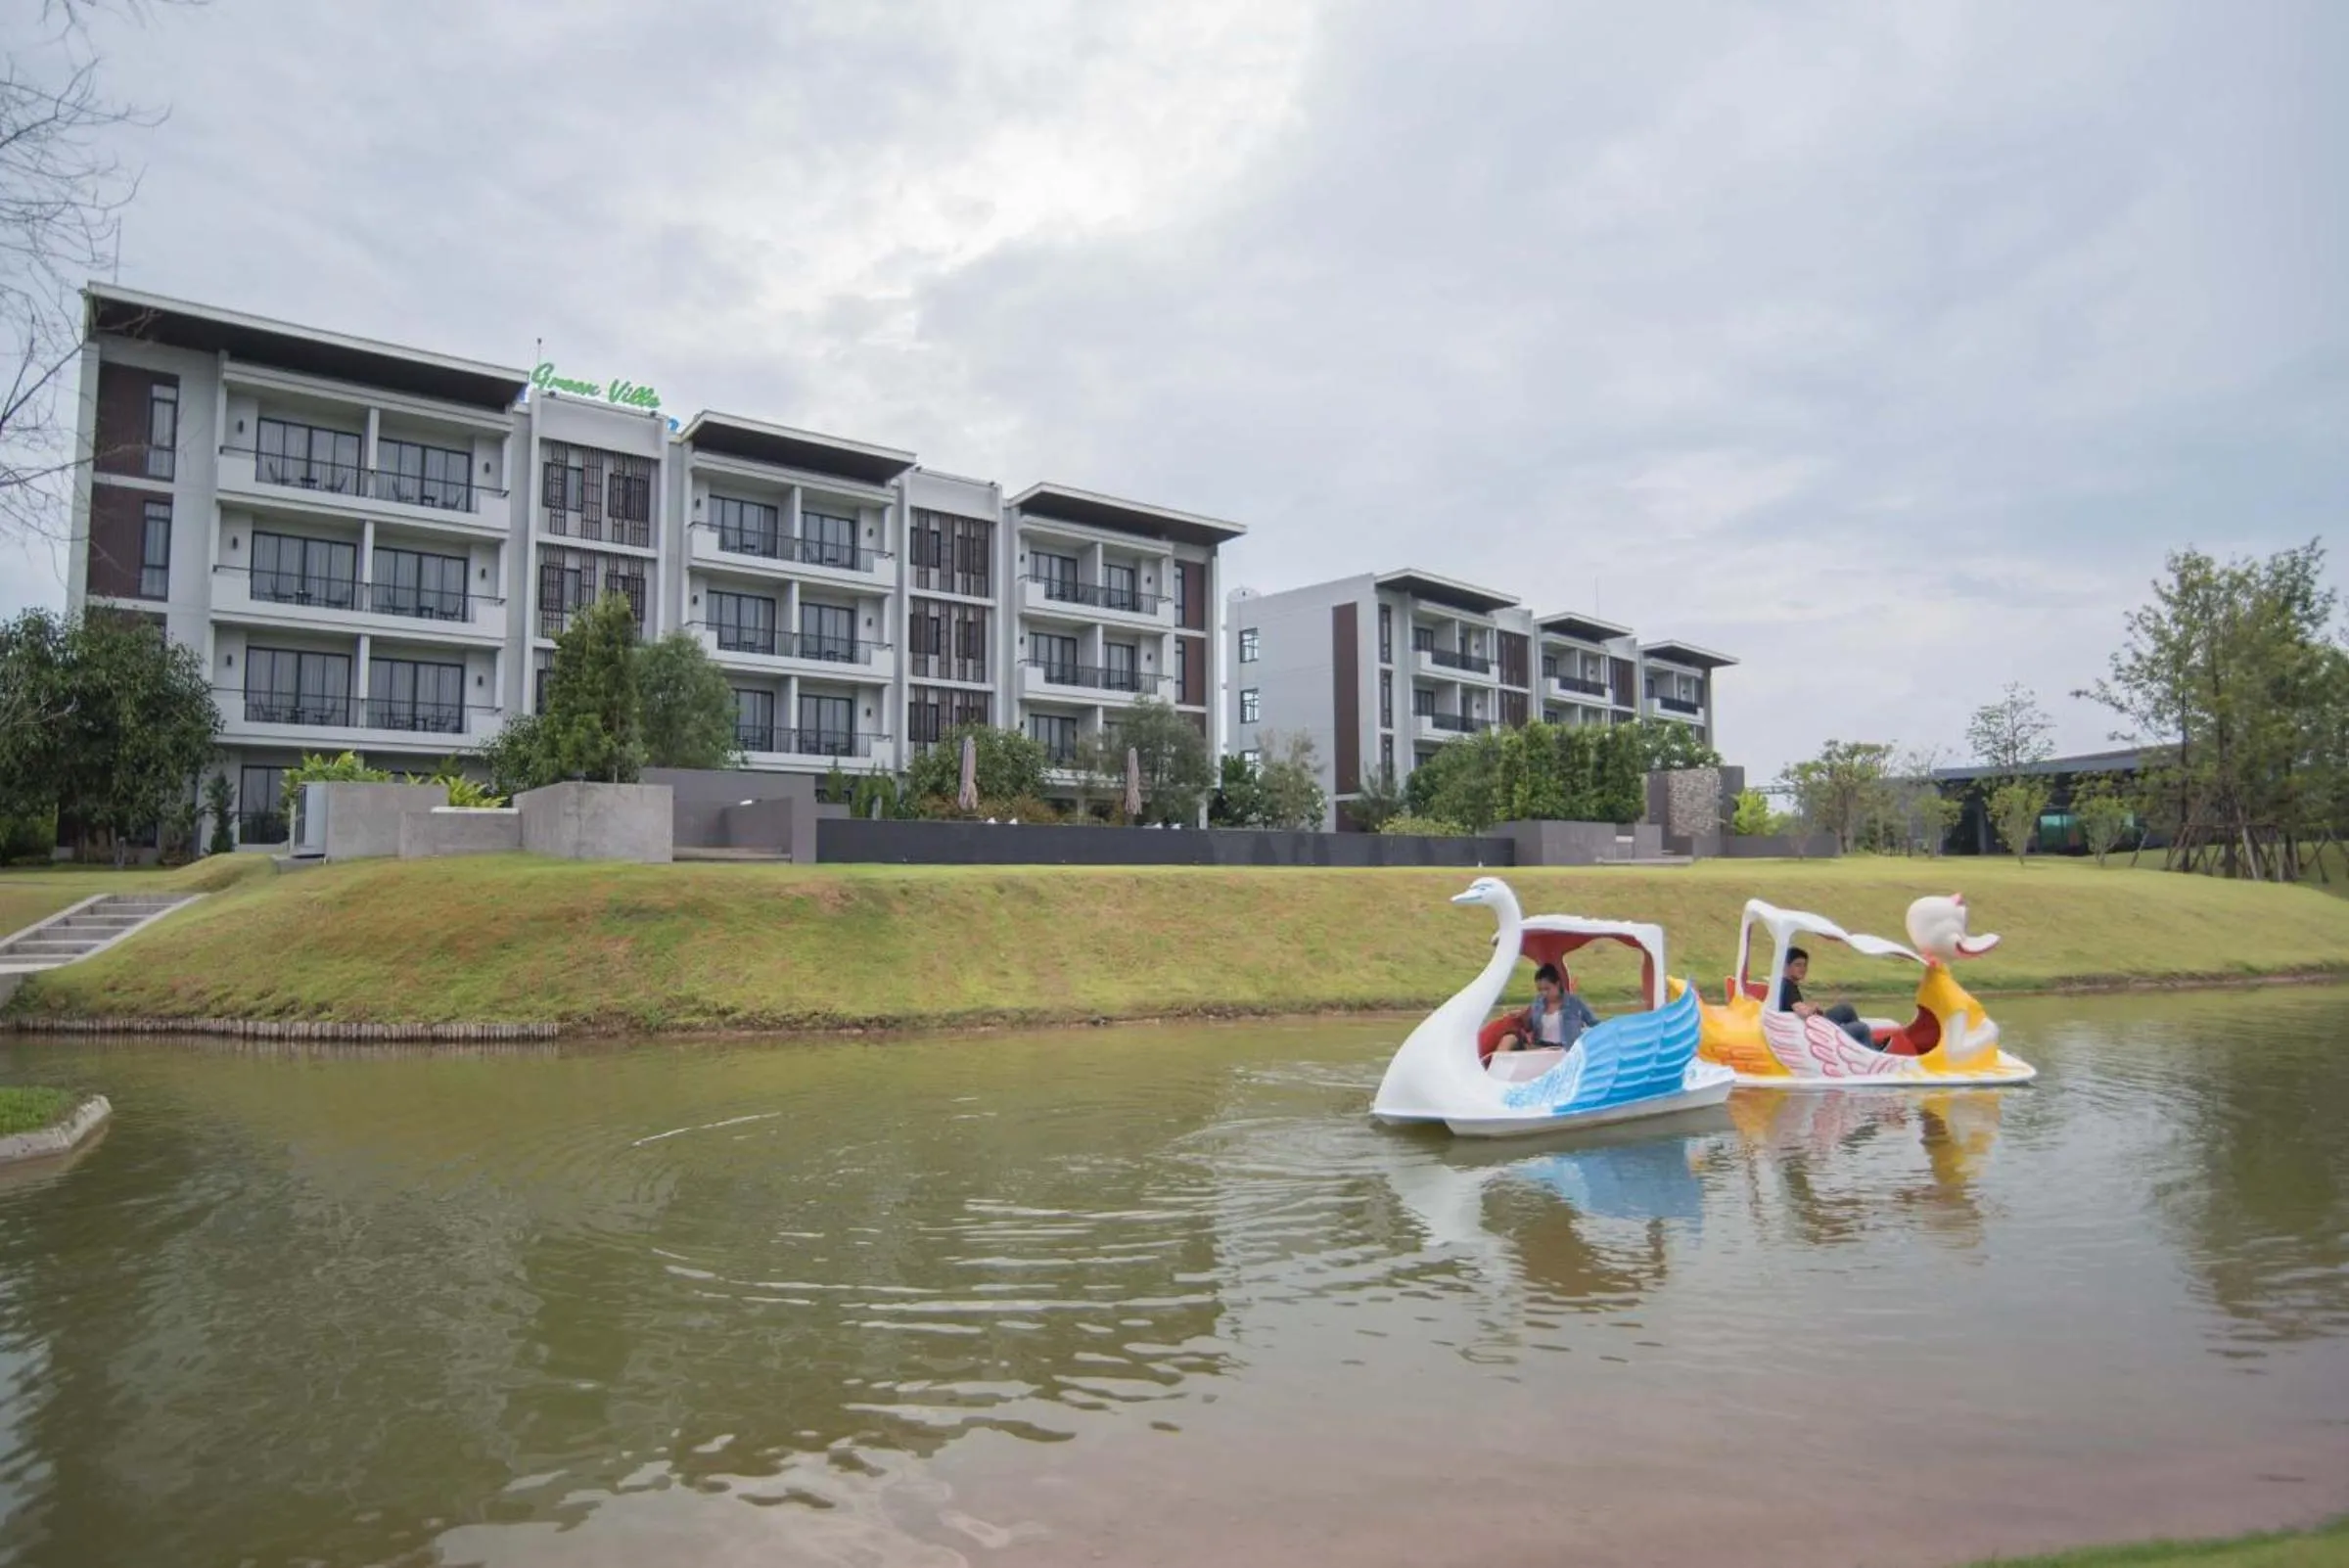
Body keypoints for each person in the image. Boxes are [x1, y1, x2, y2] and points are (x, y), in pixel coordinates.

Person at [1780, 945, 1877, 1048]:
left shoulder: (1788, 985)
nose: (1803, 969)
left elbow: (1797, 1008)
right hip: (1812, 1035)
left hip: (1812, 1026)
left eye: (1804, 965)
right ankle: (1868, 1052)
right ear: (1786, 967)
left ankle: (1859, 1047)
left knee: (1845, 1009)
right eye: (1798, 965)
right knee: (1861, 1028)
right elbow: (1803, 1013)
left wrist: (1813, 1009)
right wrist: (1813, 1007)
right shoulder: (1787, 987)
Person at [1496, 962, 1600, 1053]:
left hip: (1564, 1049)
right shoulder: (1538, 1002)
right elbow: (1529, 1027)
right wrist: (1521, 1016)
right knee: (1510, 1037)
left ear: (1557, 984)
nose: (1543, 993)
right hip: (1540, 1048)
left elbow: (1594, 1023)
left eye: (1547, 989)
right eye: (1540, 990)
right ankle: (1496, 1065)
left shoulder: (1574, 1002)